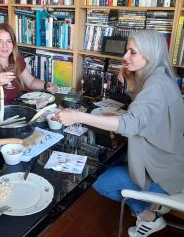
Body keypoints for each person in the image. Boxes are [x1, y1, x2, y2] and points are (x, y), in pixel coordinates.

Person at [55, 30, 184, 237]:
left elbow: (131, 123)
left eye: (132, 52)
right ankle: (152, 203)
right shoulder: (158, 76)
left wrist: (78, 117)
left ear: (149, 54)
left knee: (99, 181)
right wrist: (130, 84)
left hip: (164, 173)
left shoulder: (157, 86)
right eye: (126, 51)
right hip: (169, 161)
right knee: (106, 159)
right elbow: (146, 109)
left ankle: (148, 216)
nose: (125, 57)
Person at [0, 23, 57, 105]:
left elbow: (30, 82)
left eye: (9, 41)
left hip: (13, 108)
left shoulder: (16, 58)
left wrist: (46, 85)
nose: (4, 46)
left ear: (13, 43)